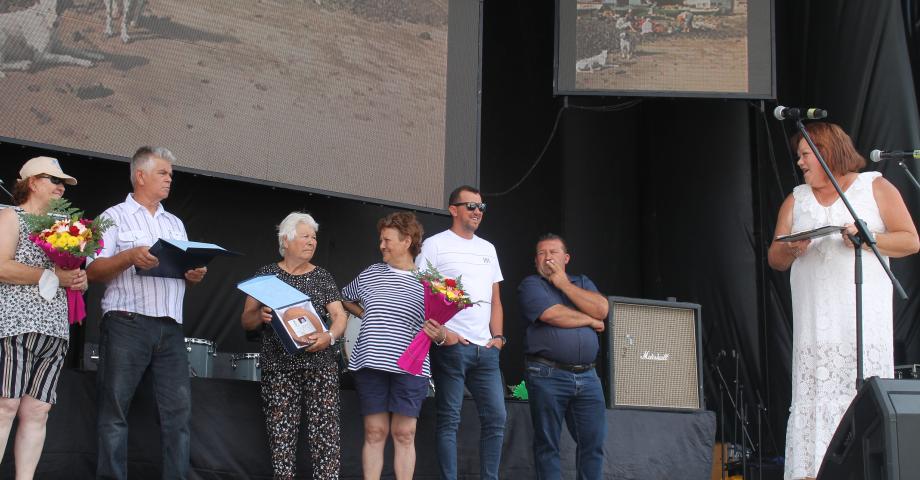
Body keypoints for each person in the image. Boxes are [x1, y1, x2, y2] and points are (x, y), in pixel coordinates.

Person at [767, 122, 919, 480]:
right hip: (815, 327)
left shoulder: (874, 187)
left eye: (806, 155)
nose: (801, 163)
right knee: (815, 397)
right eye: (799, 157)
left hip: (861, 322)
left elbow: (910, 241)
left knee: (860, 396)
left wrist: (869, 239)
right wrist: (790, 249)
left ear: (826, 152)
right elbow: (775, 257)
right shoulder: (796, 199)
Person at [87, 147, 208, 480]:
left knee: (178, 416)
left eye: (171, 174)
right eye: (163, 173)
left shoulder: (175, 223)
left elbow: (183, 273)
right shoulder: (111, 217)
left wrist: (193, 276)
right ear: (140, 175)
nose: (170, 179)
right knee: (114, 413)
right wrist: (129, 257)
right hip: (127, 322)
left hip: (170, 328)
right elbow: (92, 270)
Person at [241, 212, 348, 480]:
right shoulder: (267, 275)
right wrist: (260, 316)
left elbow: (340, 316)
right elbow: (247, 320)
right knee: (281, 440)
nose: (312, 242)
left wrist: (330, 337)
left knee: (326, 440)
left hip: (320, 368)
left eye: (314, 237)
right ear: (286, 240)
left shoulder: (323, 276)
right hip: (279, 369)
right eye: (305, 236)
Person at [0, 157, 86, 479]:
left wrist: (79, 279)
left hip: (54, 331)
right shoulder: (11, 217)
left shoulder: (63, 225)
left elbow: (75, 274)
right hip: (16, 325)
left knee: (38, 411)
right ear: (33, 182)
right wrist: (52, 274)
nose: (61, 187)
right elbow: (1, 266)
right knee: (5, 406)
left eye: (62, 183)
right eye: (54, 180)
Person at [417, 185, 506, 480]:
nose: (478, 212)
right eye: (471, 206)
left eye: (482, 207)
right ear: (453, 209)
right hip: (452, 346)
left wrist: (499, 337)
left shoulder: (488, 248)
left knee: (496, 418)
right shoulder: (435, 244)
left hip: (486, 350)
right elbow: (422, 291)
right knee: (449, 421)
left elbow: (496, 299)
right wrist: (445, 334)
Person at [341, 212, 431, 480]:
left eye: (387, 240)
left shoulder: (428, 282)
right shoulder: (371, 273)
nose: (381, 245)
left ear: (406, 241)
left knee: (404, 434)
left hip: (411, 366)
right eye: (381, 240)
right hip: (371, 363)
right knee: (374, 432)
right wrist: (364, 314)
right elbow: (345, 298)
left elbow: (439, 325)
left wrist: (436, 332)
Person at [518, 234, 608, 480]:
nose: (547, 257)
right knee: (548, 445)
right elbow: (552, 314)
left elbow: (602, 308)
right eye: (541, 253)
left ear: (566, 258)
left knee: (593, 444)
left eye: (553, 252)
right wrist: (589, 319)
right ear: (535, 260)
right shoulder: (532, 285)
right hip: (547, 373)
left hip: (588, 376)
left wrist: (564, 284)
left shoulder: (582, 282)